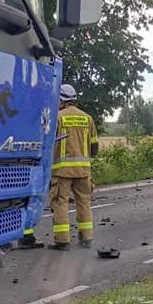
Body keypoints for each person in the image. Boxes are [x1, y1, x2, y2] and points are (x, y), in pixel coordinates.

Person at [48, 84, 98, 250]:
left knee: (60, 202)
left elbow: (48, 144)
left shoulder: (58, 117)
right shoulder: (87, 118)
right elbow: (94, 147)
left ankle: (62, 241)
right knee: (84, 202)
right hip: (83, 170)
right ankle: (86, 238)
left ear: (61, 99)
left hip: (62, 170)